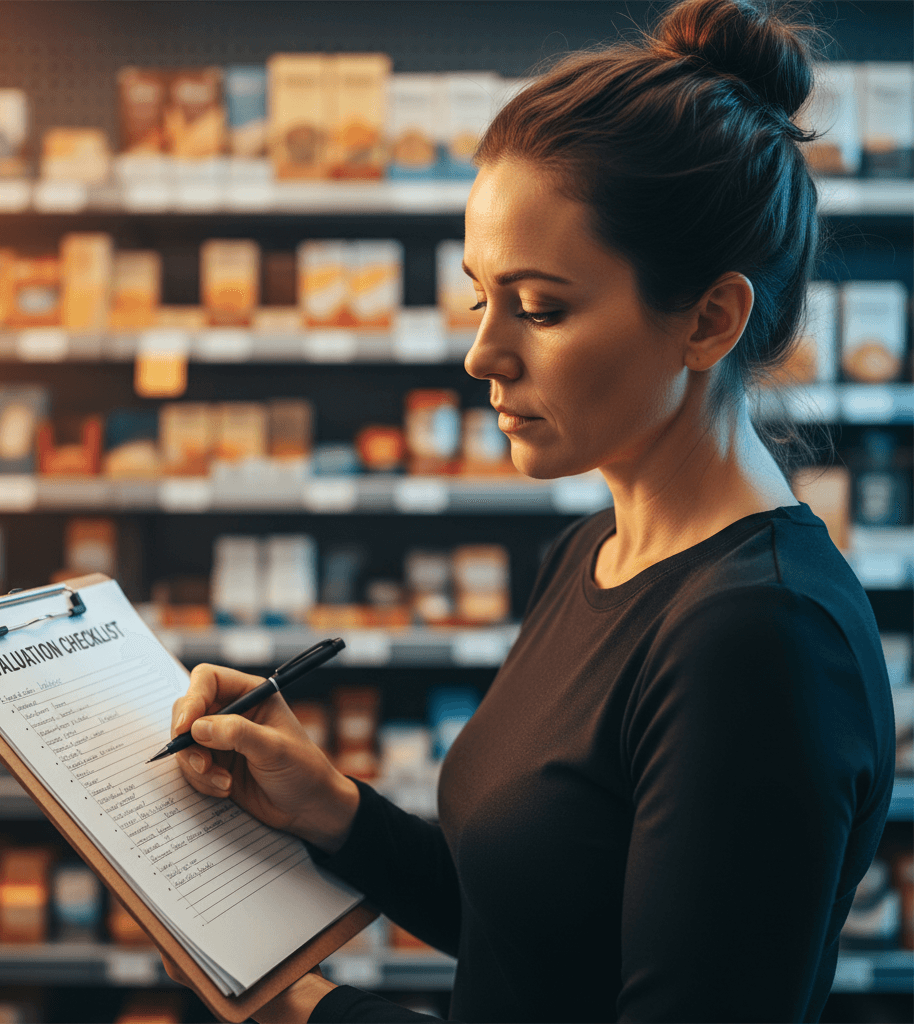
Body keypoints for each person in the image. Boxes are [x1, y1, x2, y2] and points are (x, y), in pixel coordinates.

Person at [164, 0, 896, 1019]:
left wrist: (301, 1008)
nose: (482, 353)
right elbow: (545, 925)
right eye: (481, 296)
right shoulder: (594, 550)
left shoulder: (757, 638)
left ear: (709, 317)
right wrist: (335, 813)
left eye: (541, 307)